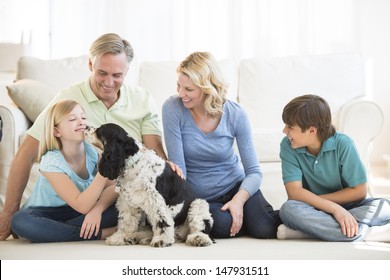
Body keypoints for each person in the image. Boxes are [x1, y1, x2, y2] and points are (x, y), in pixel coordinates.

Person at [0, 33, 180, 241]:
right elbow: (27, 152)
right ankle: (91, 232)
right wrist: (8, 212)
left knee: (126, 207)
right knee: (21, 221)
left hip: (109, 200)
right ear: (90, 64)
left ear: (127, 71)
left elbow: (154, 153)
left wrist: (168, 166)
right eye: (102, 73)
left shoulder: (142, 99)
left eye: (117, 75)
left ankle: (57, 231)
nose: (109, 82)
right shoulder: (68, 100)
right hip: (67, 206)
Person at [162, 52, 280, 239]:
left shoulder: (236, 114)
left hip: (236, 186)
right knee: (220, 226)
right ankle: (245, 220)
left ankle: (262, 218)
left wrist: (238, 201)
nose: (181, 94)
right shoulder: (172, 108)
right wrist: (188, 210)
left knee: (265, 229)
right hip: (202, 199)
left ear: (207, 88)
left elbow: (254, 172)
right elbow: (179, 174)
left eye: (188, 89)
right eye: (179, 86)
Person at [277, 94, 390, 241]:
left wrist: (333, 207)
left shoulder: (343, 144)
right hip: (312, 208)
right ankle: (359, 231)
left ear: (312, 130)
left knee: (384, 206)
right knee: (288, 209)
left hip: (346, 206)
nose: (284, 131)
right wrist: (334, 209)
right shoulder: (288, 145)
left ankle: (311, 229)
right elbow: (294, 193)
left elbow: (360, 191)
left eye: (290, 127)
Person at [11, 100, 118, 242]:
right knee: (20, 221)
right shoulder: (51, 161)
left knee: (124, 204)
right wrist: (105, 168)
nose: (81, 122)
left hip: (80, 214)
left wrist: (97, 210)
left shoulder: (92, 153)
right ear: (57, 131)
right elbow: (82, 205)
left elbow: (114, 187)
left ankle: (57, 231)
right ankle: (98, 233)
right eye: (73, 119)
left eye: (83, 117)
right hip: (48, 214)